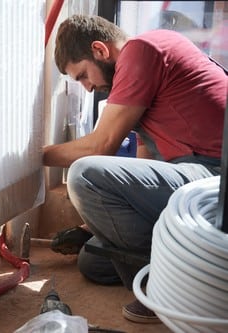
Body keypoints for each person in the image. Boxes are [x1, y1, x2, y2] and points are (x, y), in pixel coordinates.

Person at [43, 14, 227, 323]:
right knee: (93, 262)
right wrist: (93, 226)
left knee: (85, 174)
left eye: (83, 76)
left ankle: (170, 288)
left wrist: (35, 156)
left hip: (215, 177)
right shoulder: (144, 74)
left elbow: (101, 147)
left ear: (100, 50)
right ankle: (174, 267)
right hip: (194, 171)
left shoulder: (142, 51)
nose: (88, 88)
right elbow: (146, 162)